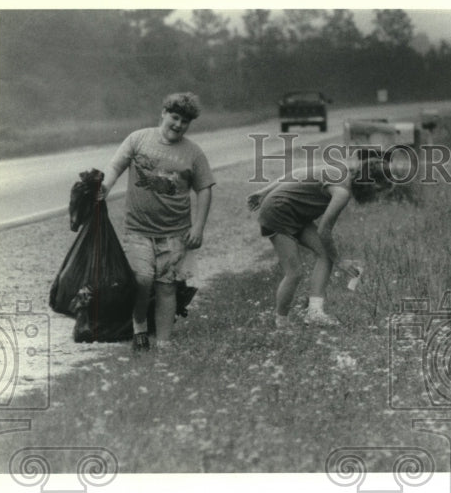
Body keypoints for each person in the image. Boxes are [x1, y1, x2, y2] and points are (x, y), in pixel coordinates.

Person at [100, 92, 215, 351]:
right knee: (141, 279)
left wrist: (198, 227)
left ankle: (164, 343)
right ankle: (139, 323)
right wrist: (104, 187)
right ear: (163, 113)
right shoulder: (138, 138)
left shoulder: (193, 153)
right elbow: (115, 166)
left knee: (166, 286)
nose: (178, 125)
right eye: (174, 118)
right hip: (138, 229)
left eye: (185, 121)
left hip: (176, 233)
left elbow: (205, 189)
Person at [246, 153, 393, 328]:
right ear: (370, 183)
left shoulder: (341, 171)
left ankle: (315, 313)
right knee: (294, 272)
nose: (377, 198)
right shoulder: (342, 192)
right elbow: (324, 231)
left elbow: (298, 172)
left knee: (325, 255)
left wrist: (264, 191)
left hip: (295, 212)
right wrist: (340, 261)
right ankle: (281, 323)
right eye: (378, 191)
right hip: (278, 212)